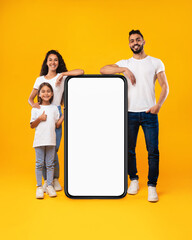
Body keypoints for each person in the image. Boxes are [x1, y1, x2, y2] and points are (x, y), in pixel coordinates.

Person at [100, 30, 169, 202]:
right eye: (132, 41)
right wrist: (123, 69)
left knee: (153, 151)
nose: (135, 43)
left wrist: (158, 105)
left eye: (138, 39)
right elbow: (103, 70)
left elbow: (165, 86)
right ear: (129, 44)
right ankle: (134, 180)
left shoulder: (155, 62)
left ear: (144, 41)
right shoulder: (125, 63)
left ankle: (152, 186)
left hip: (149, 114)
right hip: (129, 113)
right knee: (129, 150)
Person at [28, 50, 84, 191]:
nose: (53, 63)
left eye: (56, 60)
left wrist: (63, 74)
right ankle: (47, 181)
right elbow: (30, 98)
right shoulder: (40, 79)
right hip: (44, 112)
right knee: (44, 145)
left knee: (54, 148)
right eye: (50, 60)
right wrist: (36, 106)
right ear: (46, 62)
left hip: (57, 111)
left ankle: (54, 178)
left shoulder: (62, 77)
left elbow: (81, 71)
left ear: (58, 63)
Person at [30, 83, 64, 199]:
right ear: (39, 94)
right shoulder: (36, 108)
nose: (46, 93)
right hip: (39, 141)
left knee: (50, 164)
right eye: (43, 91)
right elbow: (32, 125)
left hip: (51, 140)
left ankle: (49, 185)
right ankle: (39, 187)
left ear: (52, 93)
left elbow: (57, 124)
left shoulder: (54, 108)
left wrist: (64, 115)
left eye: (48, 91)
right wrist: (40, 118)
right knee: (39, 164)